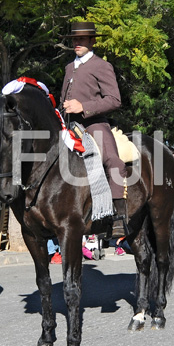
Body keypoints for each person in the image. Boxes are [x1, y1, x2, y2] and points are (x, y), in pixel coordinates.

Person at [59, 21, 127, 237]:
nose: (76, 43)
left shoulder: (102, 66)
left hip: (93, 124)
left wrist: (83, 107)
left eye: (81, 40)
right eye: (74, 40)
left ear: (92, 41)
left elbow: (115, 100)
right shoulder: (70, 67)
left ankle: (118, 216)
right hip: (68, 124)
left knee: (113, 161)